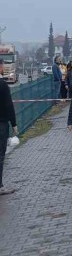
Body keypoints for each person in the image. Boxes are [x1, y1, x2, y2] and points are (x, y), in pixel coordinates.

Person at [0, 59, 18, 195]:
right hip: (1, 124)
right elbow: (8, 105)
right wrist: (14, 124)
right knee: (0, 155)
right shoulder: (3, 85)